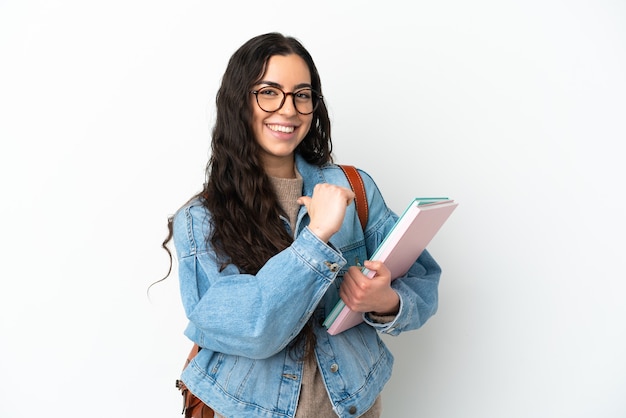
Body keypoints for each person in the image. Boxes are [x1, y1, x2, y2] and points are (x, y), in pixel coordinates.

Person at [161, 32, 442, 418]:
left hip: (352, 404)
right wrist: (317, 237)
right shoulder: (203, 218)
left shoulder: (353, 187)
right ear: (239, 101)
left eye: (302, 94)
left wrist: (386, 302)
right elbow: (253, 328)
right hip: (248, 410)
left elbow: (421, 276)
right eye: (269, 92)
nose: (289, 110)